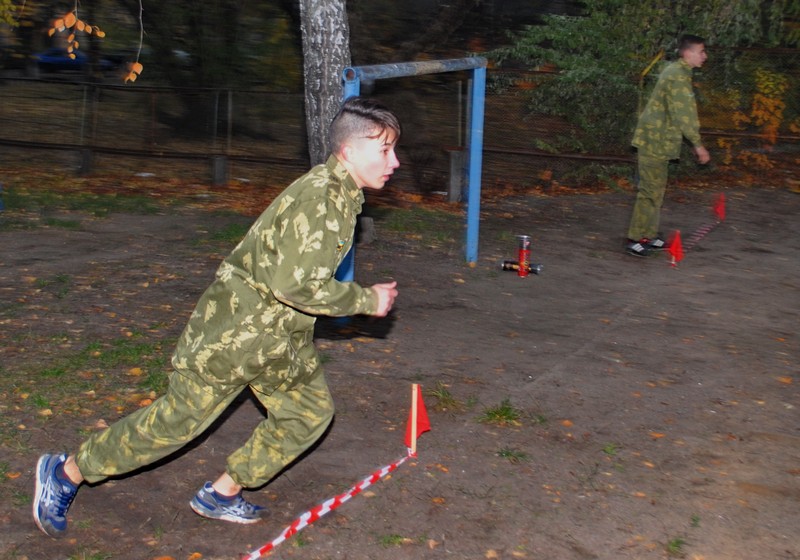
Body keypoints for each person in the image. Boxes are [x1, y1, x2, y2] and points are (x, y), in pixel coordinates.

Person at [32, 96, 401, 537]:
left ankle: (222, 493)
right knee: (175, 424)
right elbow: (294, 286)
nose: (394, 161)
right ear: (349, 151)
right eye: (384, 149)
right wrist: (367, 300)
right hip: (233, 335)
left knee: (308, 414)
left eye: (393, 149)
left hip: (279, 337)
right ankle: (65, 473)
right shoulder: (322, 200)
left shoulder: (340, 195)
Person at [625, 34, 711, 257]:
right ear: (688, 53)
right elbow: (685, 115)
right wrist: (698, 145)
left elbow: (676, 112)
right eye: (701, 51)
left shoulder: (678, 72)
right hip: (655, 141)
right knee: (649, 192)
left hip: (660, 141)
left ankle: (648, 235)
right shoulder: (677, 76)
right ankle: (635, 239)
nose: (705, 56)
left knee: (655, 191)